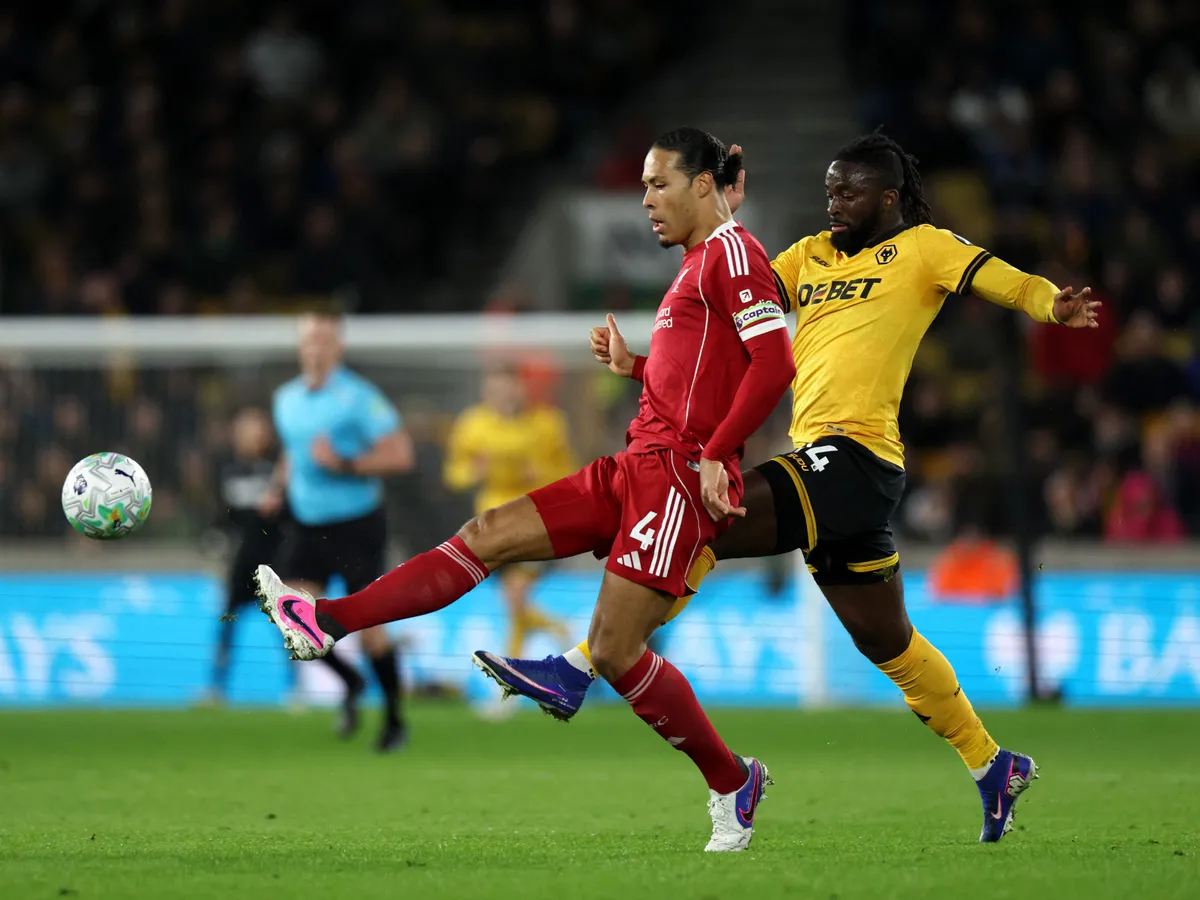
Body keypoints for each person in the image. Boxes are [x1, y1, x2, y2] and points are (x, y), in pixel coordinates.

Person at [472, 131, 1102, 843]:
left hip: (857, 458)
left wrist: (1054, 306)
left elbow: (1002, 279)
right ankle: (993, 764)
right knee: (887, 641)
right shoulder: (807, 258)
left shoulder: (924, 247)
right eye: (828, 188)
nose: (833, 201)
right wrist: (646, 361)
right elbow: (727, 312)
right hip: (824, 468)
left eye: (849, 191)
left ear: (888, 198)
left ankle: (581, 666)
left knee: (706, 515)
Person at [254, 127, 796, 852]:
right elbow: (702, 374)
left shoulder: (734, 253)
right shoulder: (698, 264)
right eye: (642, 186)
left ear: (704, 185)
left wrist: (718, 454)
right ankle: (328, 621)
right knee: (489, 533)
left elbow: (774, 363)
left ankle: (728, 778)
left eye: (658, 184)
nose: (645, 201)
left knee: (614, 649)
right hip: (637, 462)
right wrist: (637, 366)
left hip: (679, 477)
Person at [262, 312, 416, 752]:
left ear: (337, 347)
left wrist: (346, 464)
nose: (316, 348)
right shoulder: (286, 399)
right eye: (309, 339)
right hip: (307, 524)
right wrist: (277, 487)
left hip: (356, 525)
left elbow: (400, 456)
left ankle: (394, 720)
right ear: (299, 346)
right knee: (291, 619)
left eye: (324, 340)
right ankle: (350, 681)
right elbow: (294, 453)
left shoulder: (359, 399)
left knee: (371, 630)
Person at [443, 366, 575, 670]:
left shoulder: (547, 423)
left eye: (509, 389)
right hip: (488, 524)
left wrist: (540, 474)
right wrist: (474, 471)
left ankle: (511, 674)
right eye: (496, 391)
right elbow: (454, 474)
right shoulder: (472, 424)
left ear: (521, 389)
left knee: (515, 594)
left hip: (535, 520)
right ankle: (560, 632)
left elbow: (570, 472)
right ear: (486, 393)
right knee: (514, 601)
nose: (503, 396)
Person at [204, 406, 287, 705]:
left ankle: (297, 686)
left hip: (274, 561)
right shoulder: (226, 470)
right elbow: (220, 516)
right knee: (228, 622)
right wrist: (214, 543)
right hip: (241, 561)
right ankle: (216, 688)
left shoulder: (278, 469)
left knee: (285, 625)